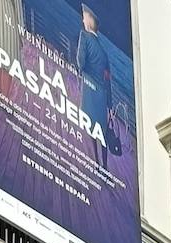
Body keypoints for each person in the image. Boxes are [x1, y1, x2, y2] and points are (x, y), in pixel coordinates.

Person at [76, 6, 112, 171]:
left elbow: (80, 63)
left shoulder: (84, 36)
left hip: (90, 90)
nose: (82, 20)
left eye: (84, 17)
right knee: (102, 132)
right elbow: (108, 80)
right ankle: (104, 166)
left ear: (90, 21)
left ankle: (96, 162)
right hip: (102, 96)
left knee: (91, 128)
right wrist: (110, 106)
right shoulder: (104, 53)